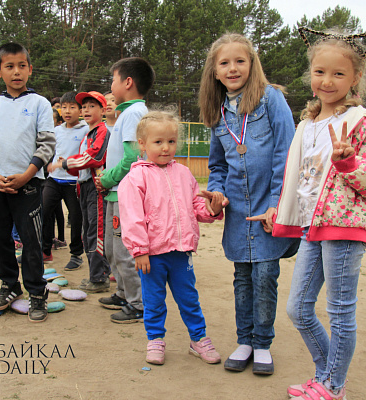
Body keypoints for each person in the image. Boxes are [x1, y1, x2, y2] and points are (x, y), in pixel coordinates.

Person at [272, 28, 366, 400]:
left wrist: (348, 162)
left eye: (338, 73)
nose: (327, 81)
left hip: (344, 226)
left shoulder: (360, 122)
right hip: (312, 226)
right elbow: (300, 178)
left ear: (356, 78)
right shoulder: (307, 124)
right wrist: (281, 210)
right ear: (310, 73)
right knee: (298, 308)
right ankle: (327, 376)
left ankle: (332, 386)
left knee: (340, 311)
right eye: (320, 71)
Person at [198, 33, 299, 375]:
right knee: (242, 277)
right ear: (214, 71)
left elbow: (287, 154)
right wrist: (216, 194)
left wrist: (276, 204)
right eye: (224, 63)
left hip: (268, 207)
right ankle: (244, 341)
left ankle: (262, 344)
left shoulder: (271, 99)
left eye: (240, 61)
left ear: (252, 64)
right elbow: (218, 166)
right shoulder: (218, 113)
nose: (232, 68)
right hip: (239, 212)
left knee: (266, 274)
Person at [118, 111, 228, 365]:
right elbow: (132, 218)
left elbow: (196, 208)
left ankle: (198, 339)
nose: (166, 147)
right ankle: (155, 339)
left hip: (181, 252)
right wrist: (140, 250)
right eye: (158, 142)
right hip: (151, 256)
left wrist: (213, 209)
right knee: (154, 301)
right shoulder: (135, 179)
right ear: (142, 144)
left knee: (189, 298)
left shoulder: (184, 173)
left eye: (171, 141)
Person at [0, 42, 55, 323]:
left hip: (28, 184)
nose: (16, 72)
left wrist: (26, 176)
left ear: (30, 69)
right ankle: (9, 285)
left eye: (22, 66)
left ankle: (37, 292)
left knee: (31, 240)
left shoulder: (40, 104)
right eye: (9, 66)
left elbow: (47, 144)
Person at [94, 57, 154, 323]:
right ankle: (123, 292)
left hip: (124, 194)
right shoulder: (126, 113)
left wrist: (107, 178)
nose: (111, 86)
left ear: (127, 82)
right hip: (115, 192)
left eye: (113, 80)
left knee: (124, 251)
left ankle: (138, 303)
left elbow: (132, 159)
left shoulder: (133, 114)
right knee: (111, 248)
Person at [49, 91, 111, 293]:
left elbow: (94, 157)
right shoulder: (88, 134)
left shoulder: (102, 131)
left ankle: (100, 277)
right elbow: (81, 166)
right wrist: (68, 165)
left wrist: (65, 163)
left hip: (96, 188)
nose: (86, 110)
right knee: (88, 231)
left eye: (92, 106)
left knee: (96, 231)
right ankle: (97, 274)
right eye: (84, 107)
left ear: (102, 110)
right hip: (83, 186)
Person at [42, 92, 87, 270]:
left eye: (72, 107)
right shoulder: (57, 130)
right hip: (54, 179)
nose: (67, 111)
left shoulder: (86, 130)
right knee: (44, 211)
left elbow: (87, 154)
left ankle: (76, 255)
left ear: (80, 111)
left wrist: (68, 162)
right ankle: (45, 250)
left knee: (76, 219)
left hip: (74, 182)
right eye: (63, 107)